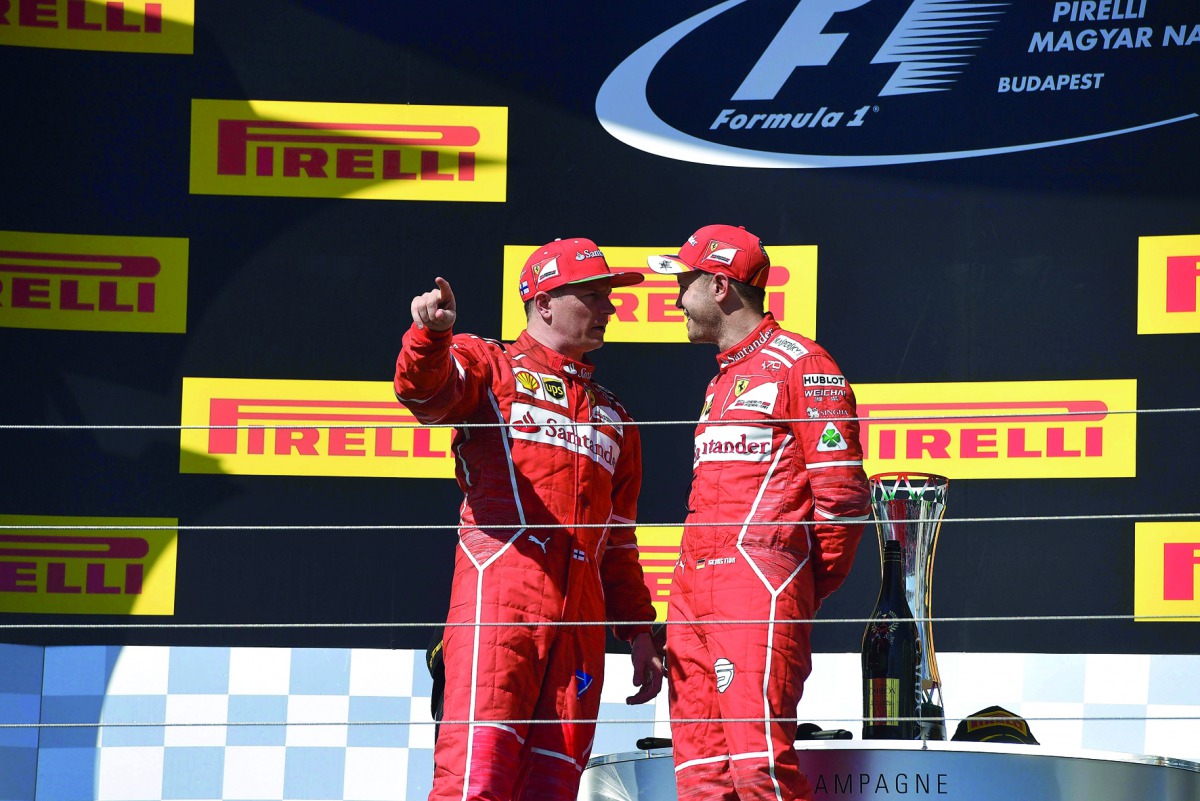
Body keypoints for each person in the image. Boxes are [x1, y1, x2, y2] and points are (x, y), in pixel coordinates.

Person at [394, 237, 664, 801]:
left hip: (581, 626)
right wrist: (430, 337)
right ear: (544, 303)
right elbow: (425, 393)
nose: (611, 309)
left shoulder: (615, 417)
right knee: (475, 778)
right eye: (594, 296)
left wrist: (639, 631)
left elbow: (619, 544)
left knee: (554, 785)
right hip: (500, 602)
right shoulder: (490, 367)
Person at [647, 224, 871, 801]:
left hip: (758, 585)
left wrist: (791, 584)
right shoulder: (721, 379)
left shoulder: (803, 363)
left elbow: (842, 495)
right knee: (700, 778)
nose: (676, 297)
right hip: (693, 589)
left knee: (758, 770)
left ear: (720, 286)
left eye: (685, 282)